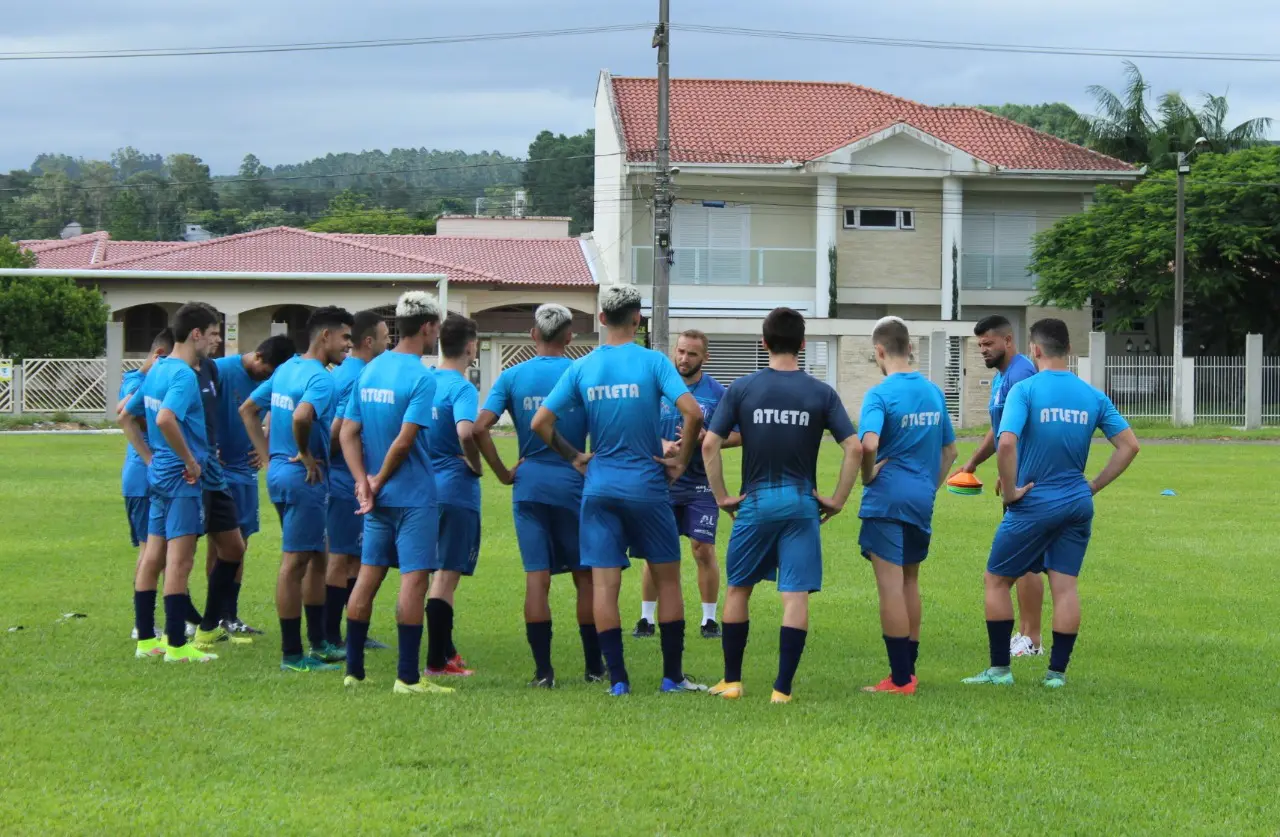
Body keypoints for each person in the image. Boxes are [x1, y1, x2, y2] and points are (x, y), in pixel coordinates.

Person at [532, 285, 706, 697]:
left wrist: (575, 456)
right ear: (638, 320)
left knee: (605, 586)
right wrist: (680, 462)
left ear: (602, 319)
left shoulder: (582, 367)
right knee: (667, 580)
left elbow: (541, 422)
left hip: (599, 487)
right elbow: (694, 412)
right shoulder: (652, 362)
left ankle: (618, 681)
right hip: (646, 485)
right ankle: (672, 677)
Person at [963, 318, 1140, 689]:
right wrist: (1092, 485)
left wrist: (1010, 492)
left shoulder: (1025, 390)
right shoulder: (1091, 395)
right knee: (1065, 586)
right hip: (1077, 502)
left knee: (995, 580)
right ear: (1069, 351)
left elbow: (1007, 442)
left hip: (1034, 502)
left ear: (1035, 350)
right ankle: (1056, 675)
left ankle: (999, 670)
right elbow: (1130, 446)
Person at [702, 307, 860, 704]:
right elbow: (854, 447)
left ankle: (733, 682)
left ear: (764, 343)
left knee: (739, 588)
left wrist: (722, 497)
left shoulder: (742, 388)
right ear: (803, 344)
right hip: (801, 503)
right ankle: (782, 689)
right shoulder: (821, 392)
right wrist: (838, 500)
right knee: (795, 595)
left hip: (756, 501)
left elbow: (709, 444)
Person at [473, 303, 604, 688]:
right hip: (573, 482)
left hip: (528, 483)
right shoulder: (580, 372)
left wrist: (501, 473)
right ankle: (595, 667)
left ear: (533, 335)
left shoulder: (512, 376)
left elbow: (479, 429)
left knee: (537, 577)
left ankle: (543, 672)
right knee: (585, 577)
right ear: (569, 337)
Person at [341, 291, 454, 696]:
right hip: (411, 496)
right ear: (427, 327)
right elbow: (404, 443)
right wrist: (378, 481)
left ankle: (354, 670)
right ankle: (407, 677)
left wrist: (363, 481)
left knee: (368, 576)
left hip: (375, 498)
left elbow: (347, 432)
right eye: (437, 326)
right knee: (413, 581)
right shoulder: (423, 377)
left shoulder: (369, 370)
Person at [240, 305, 354, 673]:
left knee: (318, 556)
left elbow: (247, 410)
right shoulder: (321, 379)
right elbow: (303, 416)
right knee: (295, 563)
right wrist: (304, 453)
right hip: (305, 478)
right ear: (326, 336)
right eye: (345, 337)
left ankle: (319, 642)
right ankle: (292, 654)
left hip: (281, 475)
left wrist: (270, 458)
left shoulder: (288, 368)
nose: (348, 346)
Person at [857, 317, 958, 695]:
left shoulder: (880, 394)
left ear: (879, 351)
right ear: (910, 347)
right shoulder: (933, 392)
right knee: (910, 581)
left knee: (890, 588)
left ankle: (899, 679)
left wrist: (868, 477)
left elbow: (867, 445)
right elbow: (950, 450)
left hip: (887, 500)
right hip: (920, 499)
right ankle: (908, 671)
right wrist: (929, 486)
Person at [120, 302, 224, 663]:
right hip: (181, 476)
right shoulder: (182, 375)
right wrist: (190, 460)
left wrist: (151, 459)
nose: (217, 340)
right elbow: (165, 419)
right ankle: (177, 645)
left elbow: (126, 417)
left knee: (153, 554)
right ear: (196, 334)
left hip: (159, 472)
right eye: (213, 333)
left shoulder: (158, 368)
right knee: (180, 561)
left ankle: (147, 639)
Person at [634, 330, 739, 641]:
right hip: (661, 479)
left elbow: (738, 434)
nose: (684, 358)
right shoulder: (660, 387)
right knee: (656, 552)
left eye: (692, 353)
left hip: (700, 483)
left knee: (702, 548)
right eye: (680, 351)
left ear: (704, 357)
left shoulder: (718, 393)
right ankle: (646, 618)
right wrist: (662, 442)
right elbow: (639, 426)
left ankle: (708, 620)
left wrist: (711, 439)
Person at [952, 314, 1045, 657]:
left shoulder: (1020, 373)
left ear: (1008, 341)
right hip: (1016, 477)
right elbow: (1001, 429)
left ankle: (1032, 639)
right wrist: (975, 461)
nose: (983, 351)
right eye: (980, 345)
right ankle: (1024, 635)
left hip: (1027, 483)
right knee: (1021, 561)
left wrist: (1012, 473)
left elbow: (1019, 433)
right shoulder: (1003, 378)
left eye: (988, 344)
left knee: (1028, 561)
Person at [209, 334, 296, 635]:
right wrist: (207, 447)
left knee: (241, 543)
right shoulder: (219, 370)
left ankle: (230, 615)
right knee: (220, 544)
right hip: (218, 472)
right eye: (268, 372)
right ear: (258, 357)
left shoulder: (275, 379)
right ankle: (215, 615)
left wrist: (266, 446)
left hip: (245, 471)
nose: (268, 380)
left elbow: (275, 411)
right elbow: (195, 406)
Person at [324, 310, 391, 653]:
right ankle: (331, 635)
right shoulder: (356, 376)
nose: (388, 341)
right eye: (384, 336)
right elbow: (337, 430)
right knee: (339, 557)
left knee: (353, 557)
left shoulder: (351, 372)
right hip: (343, 479)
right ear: (369, 342)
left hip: (347, 476)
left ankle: (353, 633)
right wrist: (333, 462)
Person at [423, 313, 483, 679]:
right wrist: (474, 464)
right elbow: (466, 431)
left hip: (423, 488)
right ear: (471, 346)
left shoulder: (426, 382)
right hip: (454, 488)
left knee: (430, 573)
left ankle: (446, 651)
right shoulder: (462, 387)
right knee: (446, 575)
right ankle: (437, 662)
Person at [120, 328, 174, 641]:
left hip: (154, 476)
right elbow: (126, 412)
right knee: (149, 550)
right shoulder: (137, 381)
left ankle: (170, 617)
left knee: (164, 549)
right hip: (142, 478)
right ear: (159, 357)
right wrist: (151, 459)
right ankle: (143, 623)